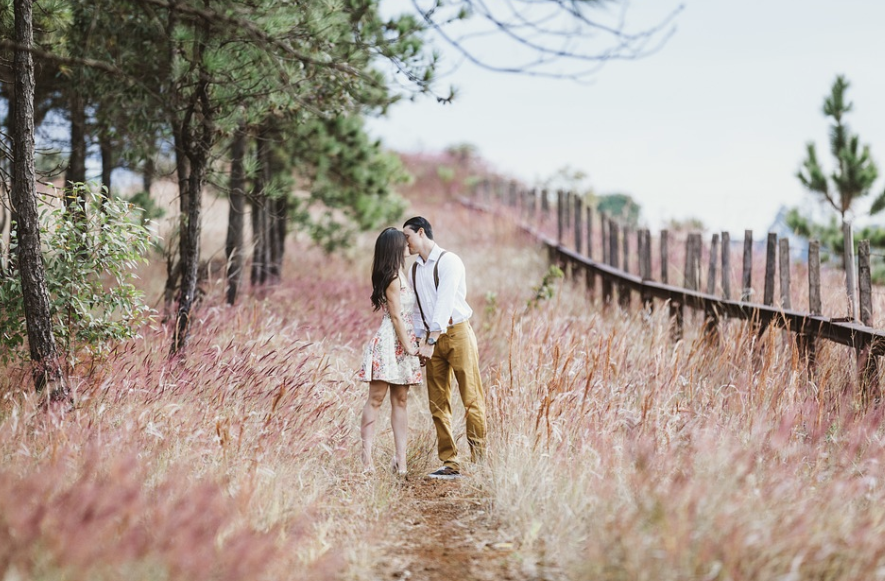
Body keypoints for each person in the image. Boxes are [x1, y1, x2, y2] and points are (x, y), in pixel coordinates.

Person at [403, 216, 487, 480]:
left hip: (457, 334)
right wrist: (420, 342)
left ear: (420, 232)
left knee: (471, 398)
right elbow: (417, 310)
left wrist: (430, 340)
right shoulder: (414, 269)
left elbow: (444, 302)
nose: (405, 243)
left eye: (408, 237)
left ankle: (479, 461)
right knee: (438, 402)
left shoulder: (449, 261)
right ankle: (450, 462)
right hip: (430, 340)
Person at [357, 227, 422, 475]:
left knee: (401, 401)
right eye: (402, 242)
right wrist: (409, 347)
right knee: (376, 399)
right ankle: (367, 462)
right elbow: (395, 316)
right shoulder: (392, 278)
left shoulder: (401, 274)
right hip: (390, 342)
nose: (407, 244)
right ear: (394, 248)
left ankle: (400, 460)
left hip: (402, 340)